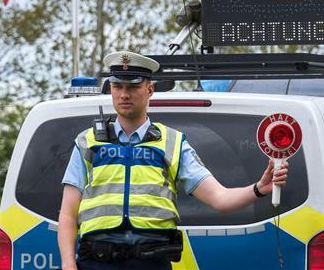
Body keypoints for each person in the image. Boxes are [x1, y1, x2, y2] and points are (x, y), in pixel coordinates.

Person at [58, 51, 289, 270]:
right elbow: (68, 213)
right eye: (117, 86)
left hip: (151, 263)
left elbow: (220, 198)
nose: (124, 94)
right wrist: (68, 265)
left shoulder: (173, 143)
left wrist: (259, 188)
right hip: (97, 263)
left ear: (150, 89)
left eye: (133, 86)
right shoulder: (87, 142)